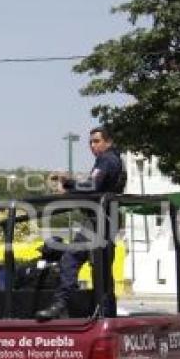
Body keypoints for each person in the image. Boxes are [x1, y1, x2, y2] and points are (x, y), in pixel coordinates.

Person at [37, 126, 125, 320]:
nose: (92, 146)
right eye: (90, 142)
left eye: (97, 141)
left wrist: (68, 182)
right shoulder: (113, 160)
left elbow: (92, 186)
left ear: (108, 142)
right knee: (101, 272)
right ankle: (107, 314)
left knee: (70, 258)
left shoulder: (107, 159)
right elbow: (93, 188)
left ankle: (62, 304)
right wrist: (69, 190)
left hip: (99, 221)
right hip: (106, 220)